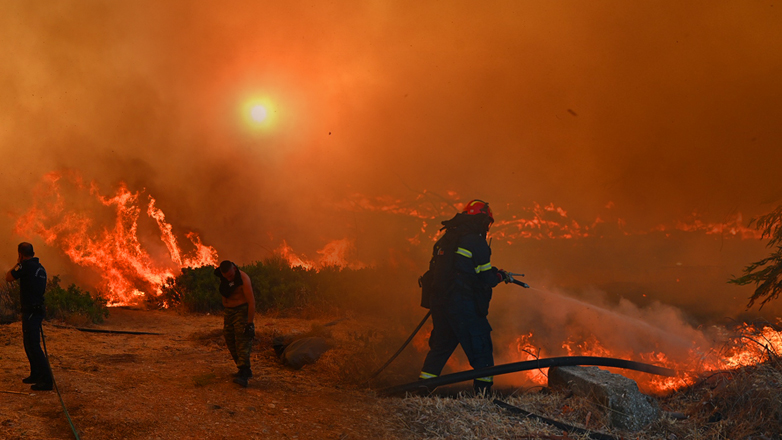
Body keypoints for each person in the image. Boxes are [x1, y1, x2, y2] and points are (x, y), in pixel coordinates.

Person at [419, 200, 510, 395]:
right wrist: (500, 276)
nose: (487, 227)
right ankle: (483, 396)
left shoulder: (446, 239)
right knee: (481, 346)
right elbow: (485, 278)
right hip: (463, 304)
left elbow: (450, 271)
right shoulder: (475, 242)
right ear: (481, 219)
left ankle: (423, 389)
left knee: (440, 347)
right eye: (487, 222)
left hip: (440, 303)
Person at [6, 242, 52, 391]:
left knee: (33, 345)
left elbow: (8, 277)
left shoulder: (25, 266)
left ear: (20, 254)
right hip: (37, 310)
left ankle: (46, 380)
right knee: (29, 343)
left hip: (31, 311)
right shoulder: (41, 268)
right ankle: (36, 374)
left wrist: (17, 263)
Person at [214, 260, 255, 387]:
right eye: (227, 276)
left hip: (241, 310)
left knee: (242, 339)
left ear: (235, 269)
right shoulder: (223, 276)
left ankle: (244, 373)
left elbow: (251, 302)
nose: (229, 278)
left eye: (231, 276)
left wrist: (249, 323)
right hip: (229, 312)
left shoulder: (243, 278)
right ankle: (244, 369)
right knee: (229, 338)